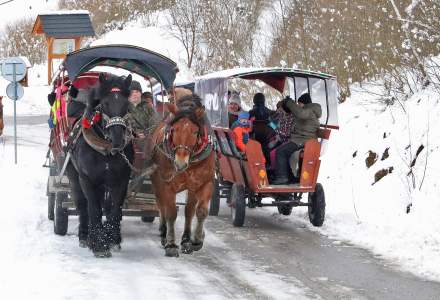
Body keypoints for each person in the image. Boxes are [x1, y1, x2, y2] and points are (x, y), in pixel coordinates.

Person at [272, 93, 322, 185]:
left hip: (304, 141)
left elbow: (300, 113)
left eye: (299, 104)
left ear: (304, 103)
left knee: (281, 152)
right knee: (282, 150)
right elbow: (293, 114)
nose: (298, 106)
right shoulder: (308, 111)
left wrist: (290, 103)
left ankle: (282, 177)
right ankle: (290, 177)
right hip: (300, 139)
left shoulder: (308, 111)